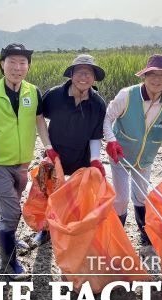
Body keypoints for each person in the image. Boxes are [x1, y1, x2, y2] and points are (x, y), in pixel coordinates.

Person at [0, 43, 52, 280]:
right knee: (12, 212)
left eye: (22, 63)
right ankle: (9, 264)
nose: (17, 68)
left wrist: (49, 148)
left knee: (10, 208)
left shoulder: (32, 92)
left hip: (23, 163)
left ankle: (7, 234)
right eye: (12, 62)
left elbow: (39, 122)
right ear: (2, 64)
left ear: (28, 66)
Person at [103, 54, 162, 250]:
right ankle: (117, 232)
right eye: (152, 74)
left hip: (146, 158)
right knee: (121, 198)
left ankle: (144, 232)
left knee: (141, 196)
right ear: (144, 76)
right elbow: (106, 118)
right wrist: (111, 141)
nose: (157, 80)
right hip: (120, 155)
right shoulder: (127, 95)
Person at [32, 54, 107, 245]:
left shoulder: (98, 104)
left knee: (76, 197)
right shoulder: (55, 95)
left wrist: (95, 160)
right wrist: (48, 148)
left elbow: (96, 135)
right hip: (54, 155)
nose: (84, 77)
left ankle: (72, 230)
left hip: (81, 157)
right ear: (71, 74)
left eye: (89, 73)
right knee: (49, 193)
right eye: (80, 72)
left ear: (94, 78)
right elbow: (38, 117)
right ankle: (46, 229)